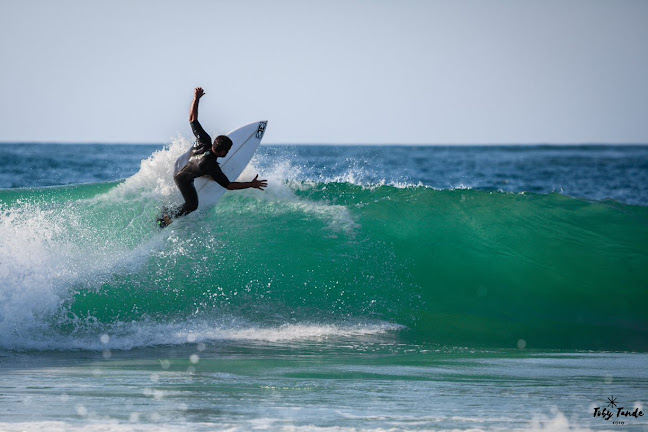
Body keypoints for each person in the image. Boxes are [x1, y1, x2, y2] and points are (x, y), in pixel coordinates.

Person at [158, 87, 267, 227]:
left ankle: (202, 175)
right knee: (192, 205)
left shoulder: (204, 140)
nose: (228, 152)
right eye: (227, 150)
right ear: (222, 152)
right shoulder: (212, 166)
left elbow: (192, 119)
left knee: (201, 166)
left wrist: (196, 98)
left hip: (181, 164)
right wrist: (251, 184)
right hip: (183, 179)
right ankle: (166, 218)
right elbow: (229, 186)